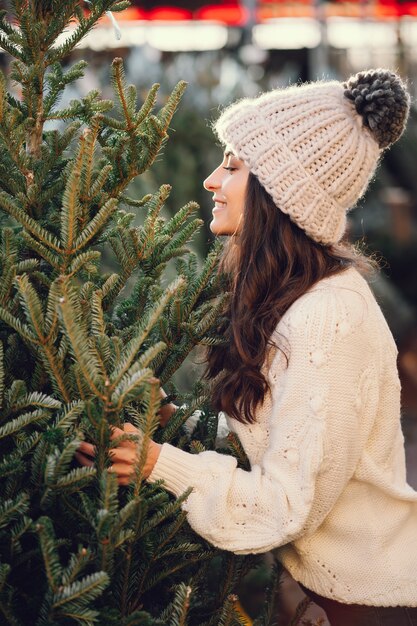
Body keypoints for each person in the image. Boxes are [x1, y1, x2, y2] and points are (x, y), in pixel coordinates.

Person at [76, 69, 417, 625]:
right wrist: (175, 423)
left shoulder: (327, 318)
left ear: (282, 192)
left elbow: (286, 506)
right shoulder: (302, 300)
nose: (212, 180)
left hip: (365, 606)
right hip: (330, 597)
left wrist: (160, 464)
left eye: (233, 166)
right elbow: (281, 443)